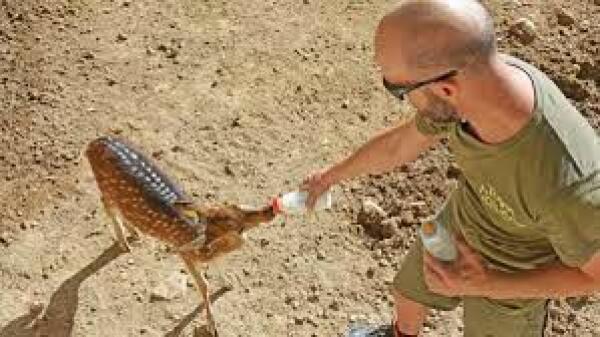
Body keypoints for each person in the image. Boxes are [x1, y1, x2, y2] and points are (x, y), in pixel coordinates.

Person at [301, 0, 600, 336]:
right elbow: (401, 143)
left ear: (445, 89)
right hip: (461, 223)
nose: (400, 98)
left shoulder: (569, 184)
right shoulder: (473, 92)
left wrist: (485, 283)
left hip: (515, 273)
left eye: (398, 89)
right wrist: (333, 175)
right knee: (408, 291)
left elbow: (593, 276)